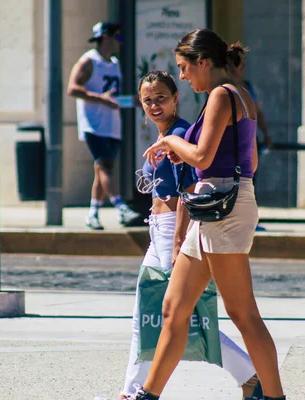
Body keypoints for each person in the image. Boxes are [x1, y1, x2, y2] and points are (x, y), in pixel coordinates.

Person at [131, 29, 286, 400]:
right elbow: (249, 159)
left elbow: (201, 157)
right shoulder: (240, 94)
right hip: (215, 206)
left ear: (203, 62)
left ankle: (275, 397)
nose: (182, 76)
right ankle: (147, 395)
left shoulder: (220, 95)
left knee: (242, 313)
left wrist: (170, 142)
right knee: (173, 307)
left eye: (185, 68)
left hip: (221, 209)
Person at [105, 71, 262, 400]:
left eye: (161, 97)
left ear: (176, 98)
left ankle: (250, 374)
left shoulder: (181, 134)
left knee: (184, 317)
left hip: (173, 234)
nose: (154, 105)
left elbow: (186, 195)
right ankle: (131, 390)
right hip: (157, 231)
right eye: (147, 100)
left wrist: (177, 244)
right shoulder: (167, 134)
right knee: (151, 313)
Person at [67, 21, 140, 230]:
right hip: (94, 124)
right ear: (106, 37)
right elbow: (73, 89)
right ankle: (121, 208)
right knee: (105, 165)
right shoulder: (88, 61)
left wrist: (130, 101)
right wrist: (101, 99)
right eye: (117, 37)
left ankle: (93, 213)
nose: (120, 41)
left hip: (112, 124)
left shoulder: (114, 62)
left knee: (102, 168)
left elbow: (112, 97)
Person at [229, 48, 272, 232]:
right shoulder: (224, 90)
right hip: (232, 144)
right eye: (241, 65)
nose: (243, 69)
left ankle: (250, 220)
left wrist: (266, 132)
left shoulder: (247, 87)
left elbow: (258, 112)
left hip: (249, 141)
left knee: (250, 180)